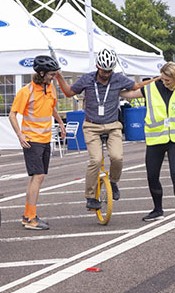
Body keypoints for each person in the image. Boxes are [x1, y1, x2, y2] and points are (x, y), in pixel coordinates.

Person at [55, 48, 157, 210]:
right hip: (91, 127)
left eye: (109, 71)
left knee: (117, 157)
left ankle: (114, 182)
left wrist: (158, 80)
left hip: (112, 126)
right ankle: (90, 196)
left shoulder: (117, 79)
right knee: (95, 160)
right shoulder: (87, 79)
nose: (106, 74)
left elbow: (136, 86)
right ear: (97, 66)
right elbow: (68, 93)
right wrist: (59, 76)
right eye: (103, 70)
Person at [120, 62, 175, 228]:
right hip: (156, 139)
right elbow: (128, 94)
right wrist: (113, 85)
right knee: (152, 175)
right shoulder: (150, 88)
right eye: (163, 79)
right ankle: (158, 209)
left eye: (168, 80)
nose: (165, 82)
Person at [9, 55, 66, 230]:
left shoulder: (50, 88)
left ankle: (27, 216)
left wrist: (61, 123)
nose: (53, 77)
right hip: (31, 141)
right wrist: (20, 135)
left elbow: (52, 108)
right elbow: (12, 114)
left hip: (45, 139)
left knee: (35, 178)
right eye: (50, 74)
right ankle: (32, 218)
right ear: (41, 73)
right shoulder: (26, 91)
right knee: (38, 177)